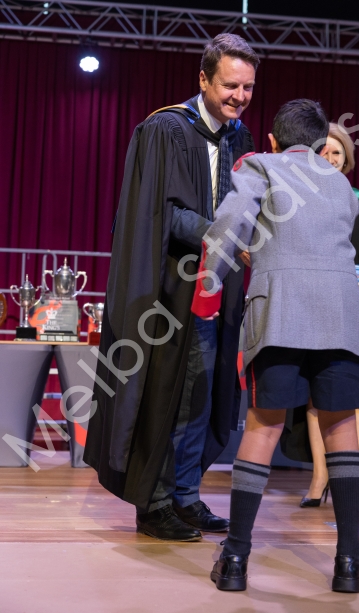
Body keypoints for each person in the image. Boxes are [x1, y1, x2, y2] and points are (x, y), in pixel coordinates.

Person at [191, 99, 359, 593]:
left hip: (279, 314)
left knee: (264, 425)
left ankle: (235, 558)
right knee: (340, 425)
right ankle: (348, 561)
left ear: (273, 140)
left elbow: (228, 228)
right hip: (341, 316)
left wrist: (209, 285)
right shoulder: (341, 183)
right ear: (320, 144)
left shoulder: (260, 165)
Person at [83, 34, 259, 542]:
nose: (240, 97)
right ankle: (154, 502)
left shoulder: (240, 138)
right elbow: (162, 213)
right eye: (230, 85)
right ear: (203, 79)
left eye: (248, 87)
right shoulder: (165, 130)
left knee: (201, 395)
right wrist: (221, 235)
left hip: (217, 289)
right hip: (167, 290)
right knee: (165, 394)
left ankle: (185, 495)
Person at [299, 123, 359, 509]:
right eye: (323, 152)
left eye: (337, 152)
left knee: (353, 397)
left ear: (347, 159)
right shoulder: (299, 201)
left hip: (351, 309)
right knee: (313, 399)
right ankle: (319, 476)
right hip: (309, 308)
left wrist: (341, 273)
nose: (330, 158)